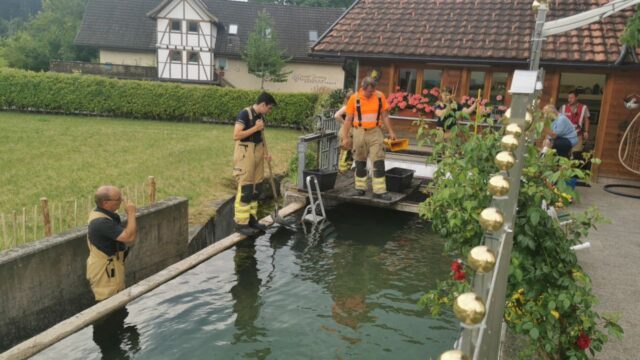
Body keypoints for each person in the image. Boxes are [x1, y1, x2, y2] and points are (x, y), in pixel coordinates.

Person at [342, 77, 397, 200]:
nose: (371, 94)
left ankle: (380, 191)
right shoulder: (354, 99)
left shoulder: (379, 96)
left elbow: (385, 116)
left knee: (378, 159)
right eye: (369, 92)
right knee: (360, 160)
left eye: (373, 91)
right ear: (363, 88)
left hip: (375, 132)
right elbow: (348, 119)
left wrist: (391, 132)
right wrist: (345, 138)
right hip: (359, 132)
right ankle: (360, 188)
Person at [233, 92, 276, 236]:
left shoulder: (260, 117)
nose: (269, 111)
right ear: (263, 105)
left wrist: (265, 153)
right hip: (245, 152)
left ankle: (252, 220)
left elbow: (260, 137)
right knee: (246, 188)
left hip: (257, 152)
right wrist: (255, 128)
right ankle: (241, 223)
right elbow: (236, 135)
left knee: (256, 187)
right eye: (269, 108)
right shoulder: (244, 114)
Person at [86, 185, 137, 302]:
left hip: (111, 269)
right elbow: (129, 237)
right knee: (110, 305)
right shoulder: (101, 222)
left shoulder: (103, 214)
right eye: (118, 199)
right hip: (106, 273)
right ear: (105, 203)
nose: (122, 201)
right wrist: (131, 213)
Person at [335, 90, 354, 173]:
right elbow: (336, 115)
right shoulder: (346, 107)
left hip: (351, 131)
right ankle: (341, 169)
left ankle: (347, 168)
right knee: (345, 150)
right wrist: (345, 123)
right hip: (346, 131)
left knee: (350, 150)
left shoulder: (351, 106)